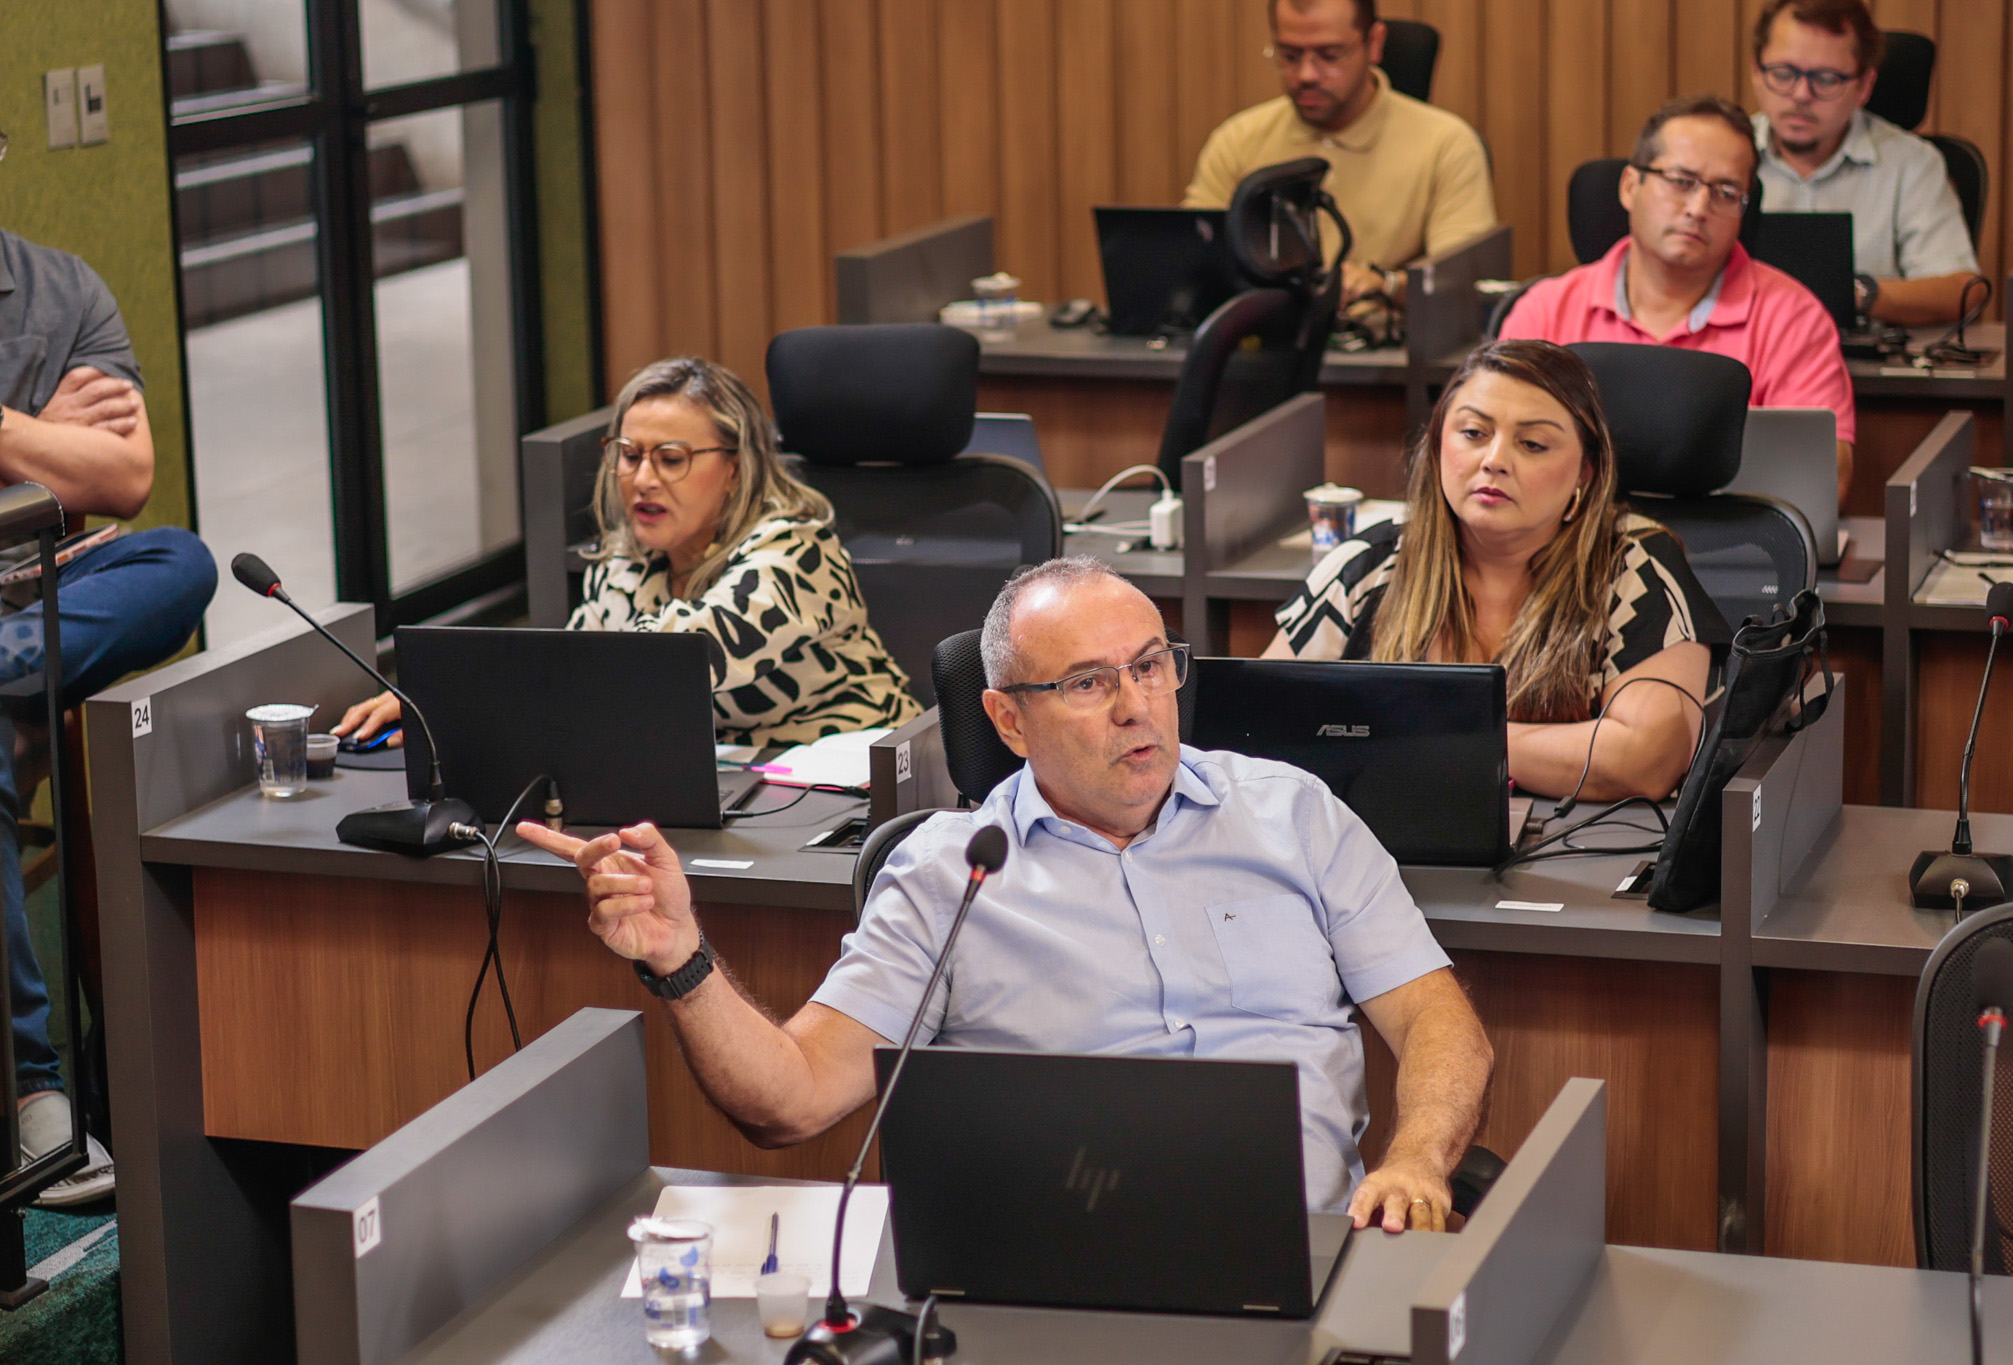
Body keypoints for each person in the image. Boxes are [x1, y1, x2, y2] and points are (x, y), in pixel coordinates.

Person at [518, 557, 1494, 1229]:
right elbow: (791, 1100)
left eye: (1150, 667)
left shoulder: (1291, 814)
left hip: (1307, 1246)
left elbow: (1435, 1021)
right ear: (1005, 720)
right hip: (1053, 1269)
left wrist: (1413, 1161)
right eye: (1084, 683)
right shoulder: (950, 873)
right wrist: (681, 961)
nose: (1134, 705)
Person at [336, 357, 919, 748]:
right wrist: (439, 706)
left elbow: (666, 661)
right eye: (629, 455)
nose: (642, 479)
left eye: (670, 459)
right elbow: (569, 671)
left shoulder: (795, 551)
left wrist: (460, 699)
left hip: (858, 795)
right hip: (728, 802)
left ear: (736, 468)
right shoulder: (626, 564)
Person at [0, 191, 218, 1204]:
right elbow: (76, 474)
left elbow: (125, 477)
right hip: (36, 585)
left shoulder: (60, 285)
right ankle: (35, 1091)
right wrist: (40, 442)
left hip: (50, 587)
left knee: (179, 562)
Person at [1267, 340, 1721, 803]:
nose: (1495, 460)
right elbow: (1257, 724)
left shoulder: (1634, 565)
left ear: (1585, 472)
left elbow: (1647, 758)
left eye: (1533, 444)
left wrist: (1430, 742)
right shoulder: (1372, 562)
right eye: (1473, 433)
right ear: (1438, 442)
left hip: (1571, 853)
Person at [1498, 94, 1857, 508]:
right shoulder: (1546, 309)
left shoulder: (1793, 317)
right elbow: (1491, 454)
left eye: (1725, 192)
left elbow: (1827, 482)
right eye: (1681, 182)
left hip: (1730, 554)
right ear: (1631, 186)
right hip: (1568, 551)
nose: (1699, 208)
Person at [1182, 0, 1496, 315]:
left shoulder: (1447, 144)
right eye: (1289, 55)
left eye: (1329, 55)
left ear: (1374, 44)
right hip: (1265, 342)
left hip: (1385, 351)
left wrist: (1385, 285)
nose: (1305, 74)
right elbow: (1193, 262)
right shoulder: (1238, 140)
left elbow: (1464, 289)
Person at [1749, 0, 1979, 327]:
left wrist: (1854, 293)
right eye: (1783, 74)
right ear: (1756, 72)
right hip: (1743, 366)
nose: (1801, 94)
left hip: (1867, 368)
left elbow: (1963, 291)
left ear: (1865, 86)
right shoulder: (1718, 160)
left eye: (1826, 79)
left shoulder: (1911, 164)